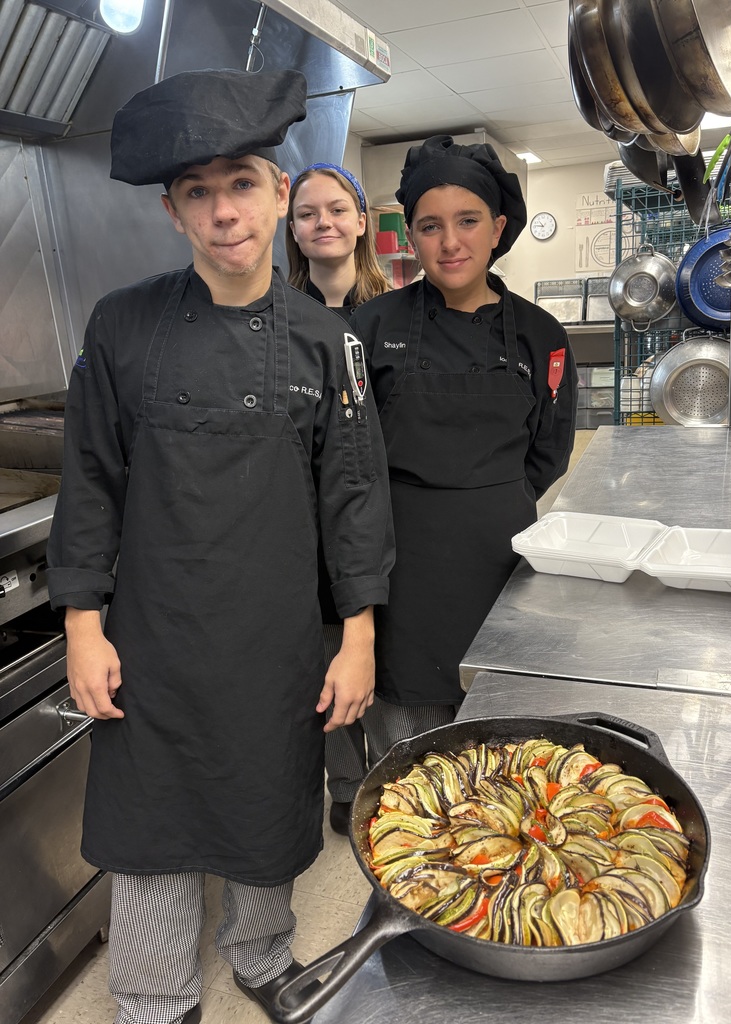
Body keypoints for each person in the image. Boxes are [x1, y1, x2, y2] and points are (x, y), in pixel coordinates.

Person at [45, 68, 394, 1024]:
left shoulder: (327, 343)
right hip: (152, 636)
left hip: (277, 640)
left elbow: (354, 498)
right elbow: (90, 481)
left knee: (266, 806)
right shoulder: (123, 325)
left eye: (241, 183)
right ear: (172, 212)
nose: (223, 211)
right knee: (149, 826)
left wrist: (358, 637)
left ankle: (261, 954)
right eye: (197, 193)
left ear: (279, 194)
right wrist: (82, 625)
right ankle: (153, 996)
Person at [350, 134, 577, 760]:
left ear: (498, 227)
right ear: (411, 236)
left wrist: (488, 499)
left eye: (468, 220)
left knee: (500, 747)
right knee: (407, 757)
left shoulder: (542, 335)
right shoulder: (370, 327)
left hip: (498, 564)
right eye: (430, 226)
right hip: (400, 571)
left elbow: (549, 451)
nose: (450, 242)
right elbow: (347, 454)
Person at [285, 162, 390, 835]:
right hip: (304, 532)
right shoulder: (278, 323)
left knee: (382, 655)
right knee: (327, 661)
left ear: (360, 223)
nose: (322, 222)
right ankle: (349, 787)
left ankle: (395, 776)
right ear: (292, 230)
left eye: (335, 209)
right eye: (306, 213)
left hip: (382, 520)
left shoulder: (394, 316)